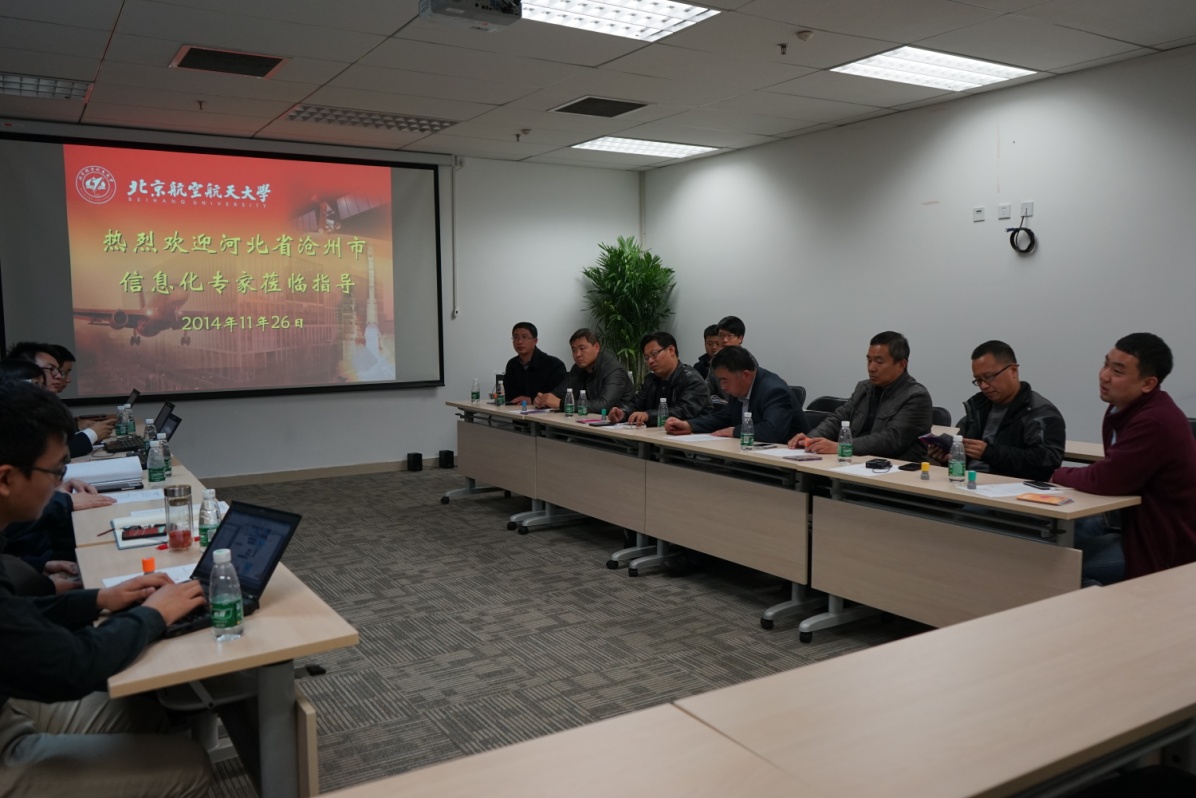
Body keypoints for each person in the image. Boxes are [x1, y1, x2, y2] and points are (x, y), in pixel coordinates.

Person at [0, 381, 212, 797]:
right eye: (56, 472)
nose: (61, 484)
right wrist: (153, 614)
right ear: (7, 478)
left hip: (10, 702)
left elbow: (16, 620)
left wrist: (97, 598)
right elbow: (75, 666)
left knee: (147, 714)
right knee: (190, 766)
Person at [1052, 333, 1196, 584]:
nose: (1104, 375)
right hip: (1133, 531)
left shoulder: (1155, 421)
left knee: (1061, 569)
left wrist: (1055, 474)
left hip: (1163, 548)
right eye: (1105, 364)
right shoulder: (1120, 409)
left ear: (1148, 383)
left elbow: (1106, 479)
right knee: (1052, 546)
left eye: (1117, 371)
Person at [926, 340, 1066, 481]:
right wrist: (948, 458)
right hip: (968, 482)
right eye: (978, 380)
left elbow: (1047, 464)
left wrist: (990, 453)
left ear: (1013, 371)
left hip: (1009, 488)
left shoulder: (1040, 413)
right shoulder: (978, 408)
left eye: (989, 377)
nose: (984, 386)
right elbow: (966, 455)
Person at [790, 331, 932, 461]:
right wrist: (810, 440)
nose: (871, 368)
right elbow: (838, 419)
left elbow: (891, 440)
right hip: (856, 462)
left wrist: (841, 447)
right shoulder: (864, 388)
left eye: (879, 362)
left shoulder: (916, 396)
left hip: (895, 469)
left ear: (901, 365)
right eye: (869, 360)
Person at [665, 345, 807, 443]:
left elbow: (772, 431)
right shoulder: (739, 387)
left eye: (724, 380)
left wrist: (734, 431)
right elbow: (724, 417)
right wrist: (689, 425)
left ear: (745, 374)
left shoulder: (774, 391)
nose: (722, 386)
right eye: (720, 380)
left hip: (784, 464)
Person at [5, 342, 114, 456]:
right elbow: (48, 454)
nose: (59, 376)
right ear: (26, 369)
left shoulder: (43, 406)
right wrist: (92, 434)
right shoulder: (13, 413)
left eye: (58, 370)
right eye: (51, 369)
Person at [608, 332, 710, 425]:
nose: (650, 361)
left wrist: (648, 415)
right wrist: (622, 413)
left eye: (654, 354)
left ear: (671, 350)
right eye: (647, 358)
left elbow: (684, 411)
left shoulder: (692, 379)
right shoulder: (651, 380)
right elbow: (636, 404)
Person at [534, 328, 633, 412]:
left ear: (596, 347)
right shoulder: (577, 368)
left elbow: (603, 405)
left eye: (582, 348)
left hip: (619, 424)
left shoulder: (614, 371)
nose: (577, 354)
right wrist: (543, 399)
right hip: (587, 421)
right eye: (574, 350)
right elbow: (559, 393)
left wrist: (561, 404)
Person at [502, 322, 567, 407]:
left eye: (524, 337)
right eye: (516, 337)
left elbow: (558, 395)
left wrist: (531, 399)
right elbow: (508, 393)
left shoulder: (554, 365)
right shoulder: (512, 364)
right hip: (516, 412)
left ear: (535, 341)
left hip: (545, 413)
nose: (519, 342)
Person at [707, 316, 745, 403]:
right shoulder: (716, 358)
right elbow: (709, 387)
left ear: (740, 338)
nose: (724, 340)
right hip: (721, 407)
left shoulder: (747, 361)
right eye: (721, 335)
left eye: (729, 336)